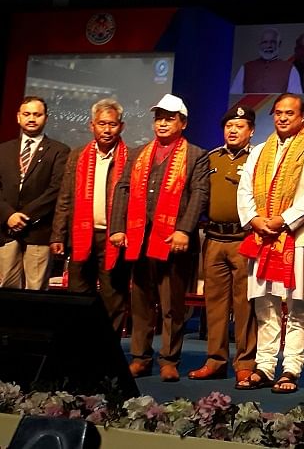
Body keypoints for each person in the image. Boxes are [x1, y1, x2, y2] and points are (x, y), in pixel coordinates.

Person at [109, 93, 209, 382]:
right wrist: (118, 228)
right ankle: (140, 357)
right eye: (159, 118)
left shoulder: (195, 155)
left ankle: (169, 359)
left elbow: (199, 195)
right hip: (139, 239)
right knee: (140, 301)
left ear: (183, 123)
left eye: (170, 118)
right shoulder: (139, 154)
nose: (163, 123)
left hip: (173, 241)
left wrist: (184, 230)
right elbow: (123, 189)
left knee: (172, 305)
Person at [236, 93, 304, 393]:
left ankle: (290, 368)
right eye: (278, 113)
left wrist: (283, 220)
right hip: (262, 236)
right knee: (265, 306)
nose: (283, 118)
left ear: (303, 116)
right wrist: (255, 220)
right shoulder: (260, 151)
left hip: (297, 237)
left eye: (290, 113)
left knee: (299, 306)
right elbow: (244, 189)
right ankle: (264, 367)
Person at [186, 105, 258, 385]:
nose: (232, 130)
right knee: (214, 305)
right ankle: (215, 360)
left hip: (243, 239)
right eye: (229, 126)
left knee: (244, 305)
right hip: (214, 238)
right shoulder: (210, 157)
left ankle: (245, 363)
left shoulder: (257, 160)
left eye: (239, 126)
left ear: (250, 131)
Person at [50, 98, 130, 335]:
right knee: (78, 296)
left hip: (113, 239)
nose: (107, 130)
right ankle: (79, 352)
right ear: (91, 125)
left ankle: (107, 357)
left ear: (121, 126)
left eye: (112, 124)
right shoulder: (77, 156)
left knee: (113, 299)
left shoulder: (132, 158)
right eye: (102, 124)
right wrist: (58, 234)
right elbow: (65, 197)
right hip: (80, 236)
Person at [0, 96, 70, 290]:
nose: (32, 118)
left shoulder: (59, 151)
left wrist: (24, 217)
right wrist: (9, 215)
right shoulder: (3, 150)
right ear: (18, 117)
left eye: (37, 114)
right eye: (27, 114)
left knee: (36, 289)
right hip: (7, 231)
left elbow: (56, 190)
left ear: (45, 118)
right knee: (7, 289)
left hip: (39, 232)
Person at [229, 27, 302, 94]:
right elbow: (234, 96)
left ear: (279, 44)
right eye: (265, 42)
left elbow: (296, 98)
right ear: (259, 44)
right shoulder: (245, 68)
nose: (268, 46)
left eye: (272, 42)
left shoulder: (290, 69)